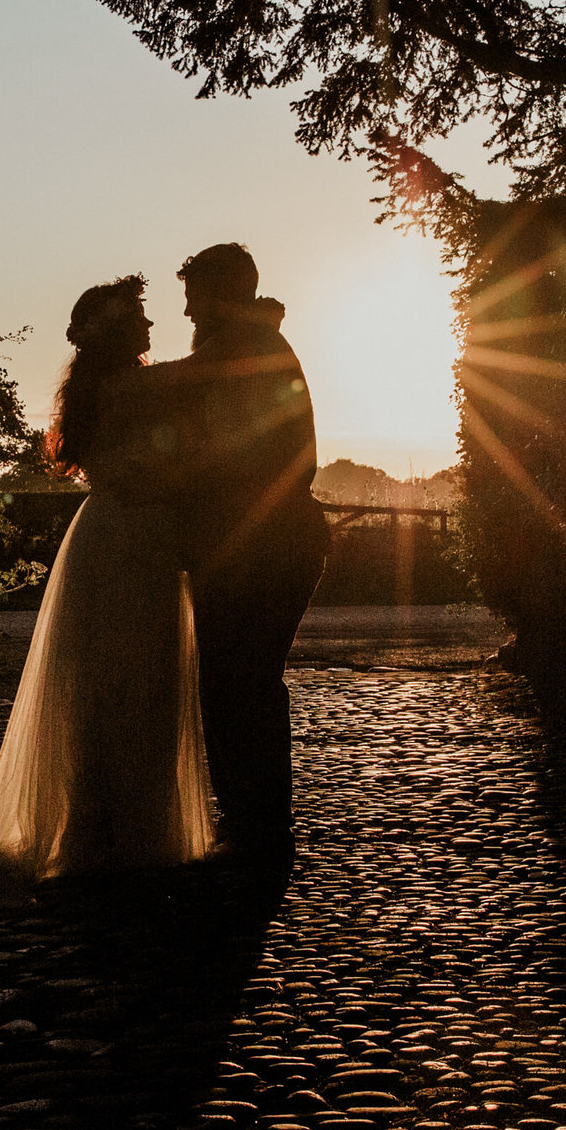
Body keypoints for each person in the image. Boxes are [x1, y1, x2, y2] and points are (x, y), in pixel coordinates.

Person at [0, 276, 214, 902]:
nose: (151, 326)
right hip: (134, 541)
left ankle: (97, 830)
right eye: (139, 317)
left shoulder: (94, 388)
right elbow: (200, 378)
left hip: (105, 535)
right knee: (137, 681)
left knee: (102, 686)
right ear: (115, 331)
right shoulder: (136, 385)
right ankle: (129, 837)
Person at [162, 243, 330, 864]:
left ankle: (257, 828)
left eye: (192, 297)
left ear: (217, 296)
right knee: (243, 683)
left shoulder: (241, 353)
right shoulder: (249, 346)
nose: (185, 311)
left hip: (258, 544)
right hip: (267, 539)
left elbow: (254, 453)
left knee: (240, 684)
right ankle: (256, 822)